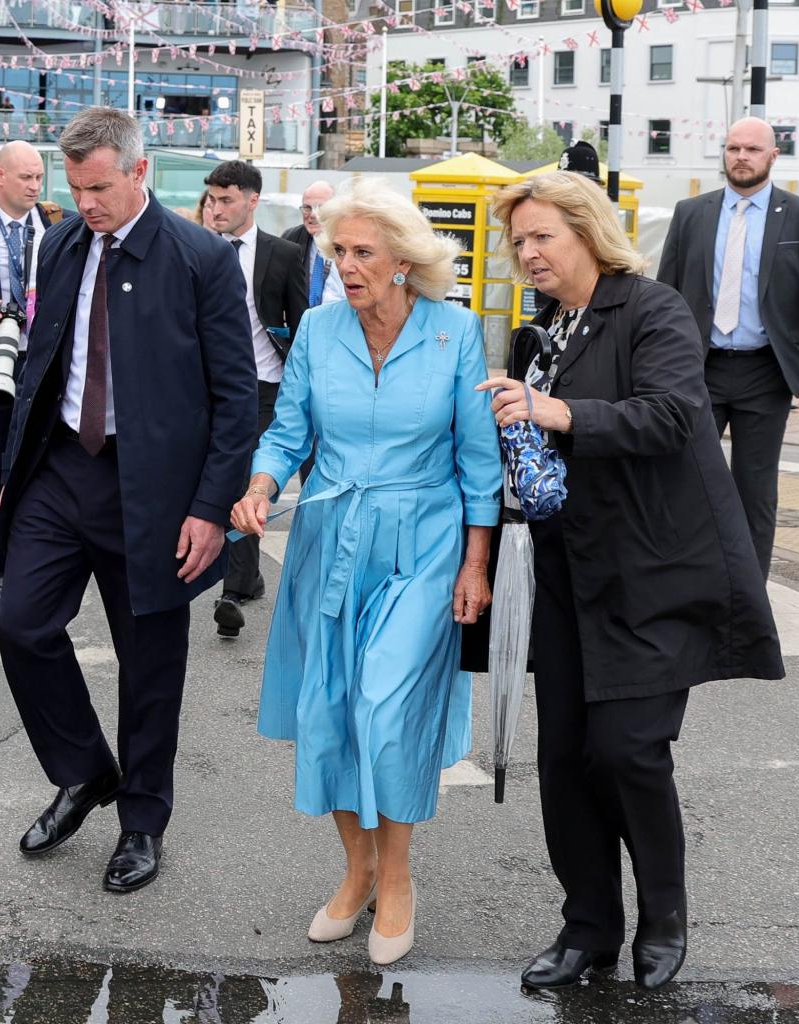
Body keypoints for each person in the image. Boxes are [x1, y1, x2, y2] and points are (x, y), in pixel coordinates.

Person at [482, 171, 783, 991]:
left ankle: (663, 912)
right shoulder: (544, 329)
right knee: (566, 759)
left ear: (586, 231)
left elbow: (673, 415)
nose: (528, 252)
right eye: (519, 240)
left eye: (542, 235)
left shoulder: (650, 310)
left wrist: (558, 414)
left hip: (655, 571)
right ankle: (587, 929)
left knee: (627, 751)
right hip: (568, 571)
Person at [230, 177, 501, 965]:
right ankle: (355, 873)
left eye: (360, 252)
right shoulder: (316, 329)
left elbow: (478, 462)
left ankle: (400, 875)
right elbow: (287, 432)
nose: (344, 265)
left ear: (401, 262)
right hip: (330, 536)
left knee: (385, 707)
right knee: (334, 708)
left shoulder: (454, 332)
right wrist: (259, 485)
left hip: (424, 542)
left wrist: (475, 565)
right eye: (336, 250)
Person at [0, 108, 256, 893]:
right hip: (62, 471)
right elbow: (44, 365)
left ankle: (141, 820)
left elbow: (236, 396)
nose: (86, 204)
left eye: (100, 187)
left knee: (149, 669)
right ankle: (84, 772)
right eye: (75, 188)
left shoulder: (201, 259)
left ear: (140, 172)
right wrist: (12, 470)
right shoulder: (66, 241)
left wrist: (211, 508)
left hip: (156, 496)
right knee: (21, 623)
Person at [658, 117, 799, 580]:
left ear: (773, 156)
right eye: (733, 148)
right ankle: (685, 582)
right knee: (682, 477)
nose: (741, 156)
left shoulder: (796, 215)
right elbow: (667, 293)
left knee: (754, 492)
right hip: (698, 369)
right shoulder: (691, 213)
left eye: (752, 150)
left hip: (767, 372)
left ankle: (749, 591)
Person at [204, 160, 307, 640]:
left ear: (251, 200)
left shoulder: (282, 255)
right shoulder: (197, 249)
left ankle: (234, 588)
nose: (216, 208)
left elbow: (301, 322)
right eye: (211, 199)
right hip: (207, 389)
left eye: (226, 200)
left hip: (266, 388)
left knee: (249, 482)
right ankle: (245, 578)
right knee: (219, 481)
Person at [0, 141, 59, 611]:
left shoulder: (56, 227)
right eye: (25, 177)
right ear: (0, 176)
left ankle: (29, 567)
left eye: (39, 177)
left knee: (36, 473)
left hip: (39, 369)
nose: (34, 186)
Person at [282, 181, 345, 307]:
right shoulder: (290, 240)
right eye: (307, 208)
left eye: (320, 208)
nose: (312, 215)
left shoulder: (349, 241)